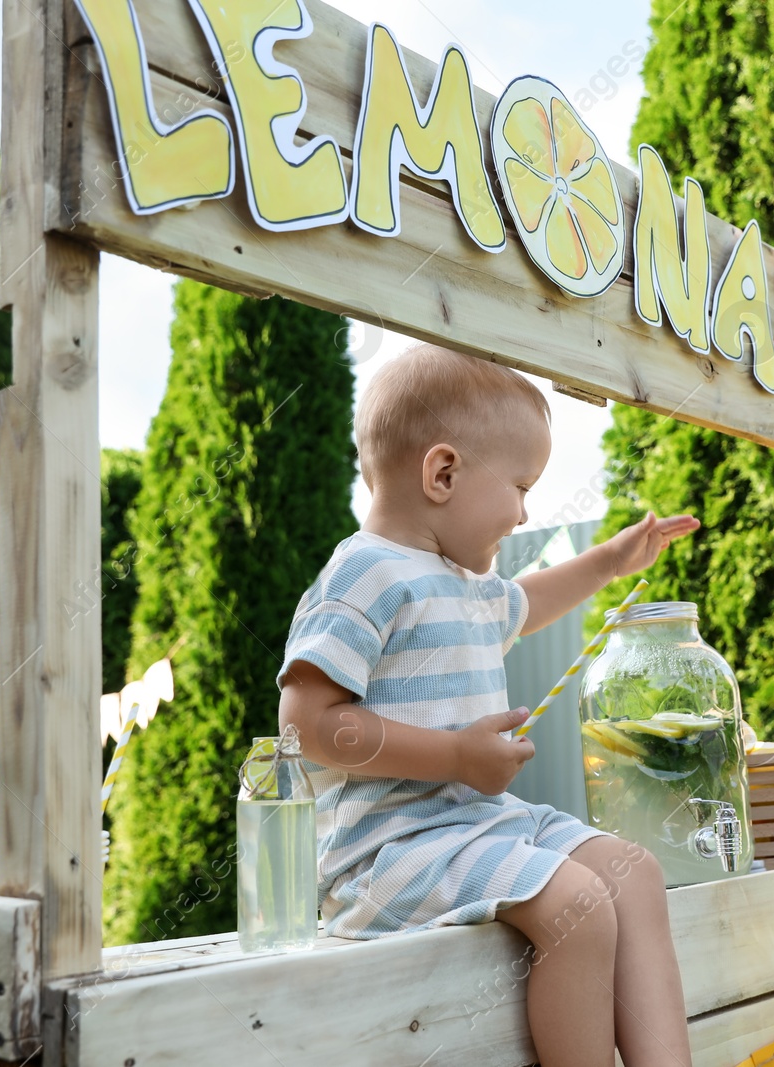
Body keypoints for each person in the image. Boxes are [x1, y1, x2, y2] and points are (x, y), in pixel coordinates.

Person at [276, 342, 700, 1067]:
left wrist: (608, 560)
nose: (525, 510)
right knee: (580, 906)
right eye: (521, 485)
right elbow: (305, 725)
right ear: (443, 472)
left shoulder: (461, 580)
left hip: (478, 828)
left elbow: (528, 604)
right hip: (387, 852)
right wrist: (455, 756)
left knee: (634, 872)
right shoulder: (365, 572)